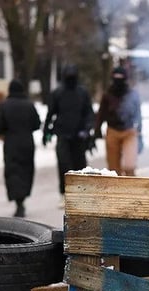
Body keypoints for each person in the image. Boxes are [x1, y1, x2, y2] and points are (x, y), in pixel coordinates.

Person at [44, 64, 95, 207]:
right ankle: (64, 194)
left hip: (79, 136)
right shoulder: (58, 93)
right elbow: (51, 113)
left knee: (80, 166)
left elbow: (89, 113)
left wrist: (87, 129)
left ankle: (80, 195)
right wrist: (46, 132)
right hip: (62, 135)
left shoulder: (82, 93)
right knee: (64, 165)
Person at [0, 79, 40, 218]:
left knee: (13, 171)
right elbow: (36, 124)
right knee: (26, 170)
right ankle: (23, 198)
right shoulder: (29, 105)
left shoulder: (4, 105)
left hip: (11, 143)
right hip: (27, 142)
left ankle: (18, 202)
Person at [95, 66, 142, 176]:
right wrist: (97, 129)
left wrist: (139, 130)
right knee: (113, 169)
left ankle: (132, 191)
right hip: (112, 131)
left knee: (130, 166)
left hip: (129, 132)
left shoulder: (132, 94)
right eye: (116, 78)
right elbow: (101, 114)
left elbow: (138, 113)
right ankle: (116, 192)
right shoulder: (107, 95)